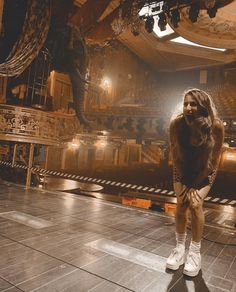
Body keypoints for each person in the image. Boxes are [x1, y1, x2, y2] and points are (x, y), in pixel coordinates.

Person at [166, 88, 224, 277]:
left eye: (193, 104)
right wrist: (179, 184)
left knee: (196, 204)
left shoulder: (216, 126)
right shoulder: (176, 124)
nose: (188, 107)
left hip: (205, 171)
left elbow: (214, 162)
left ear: (203, 106)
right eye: (186, 104)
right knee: (181, 203)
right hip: (183, 169)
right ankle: (179, 249)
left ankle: (195, 253)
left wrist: (196, 186)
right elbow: (175, 156)